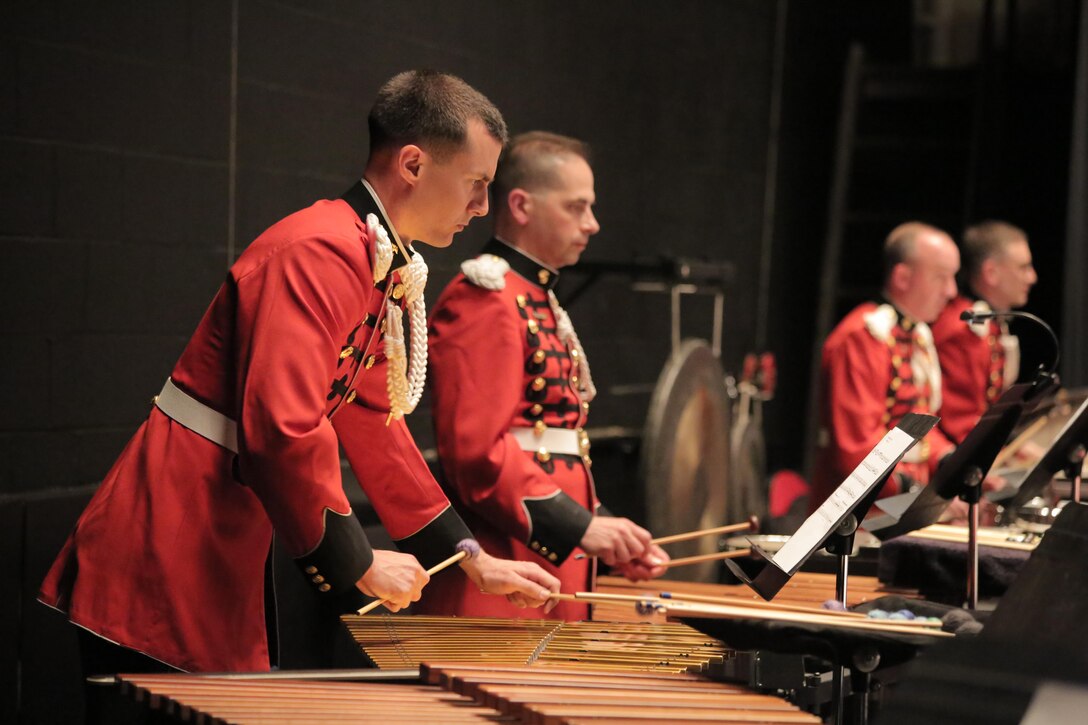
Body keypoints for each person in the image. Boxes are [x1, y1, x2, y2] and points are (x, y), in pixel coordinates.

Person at [38, 70, 561, 676]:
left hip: (222, 526)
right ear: (413, 165)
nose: (480, 207)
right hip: (169, 529)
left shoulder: (371, 260)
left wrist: (470, 557)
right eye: (476, 183)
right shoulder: (319, 249)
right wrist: (360, 562)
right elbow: (282, 427)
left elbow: (373, 424)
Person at [414, 131, 668, 622]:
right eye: (576, 207)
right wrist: (577, 527)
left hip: (547, 557)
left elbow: (554, 446)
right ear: (522, 205)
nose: (592, 224)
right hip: (504, 567)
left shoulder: (533, 297)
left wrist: (604, 529)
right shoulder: (486, 296)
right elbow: (476, 452)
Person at [810, 222, 959, 511]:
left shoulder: (915, 335)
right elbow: (857, 450)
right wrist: (919, 497)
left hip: (901, 509)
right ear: (903, 277)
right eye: (941, 278)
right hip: (860, 519)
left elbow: (921, 431)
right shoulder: (862, 336)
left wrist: (956, 463)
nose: (951, 291)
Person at [931, 221, 1038, 443]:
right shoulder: (961, 329)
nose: (1032, 277)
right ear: (991, 273)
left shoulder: (990, 324)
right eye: (1023, 267)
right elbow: (960, 427)